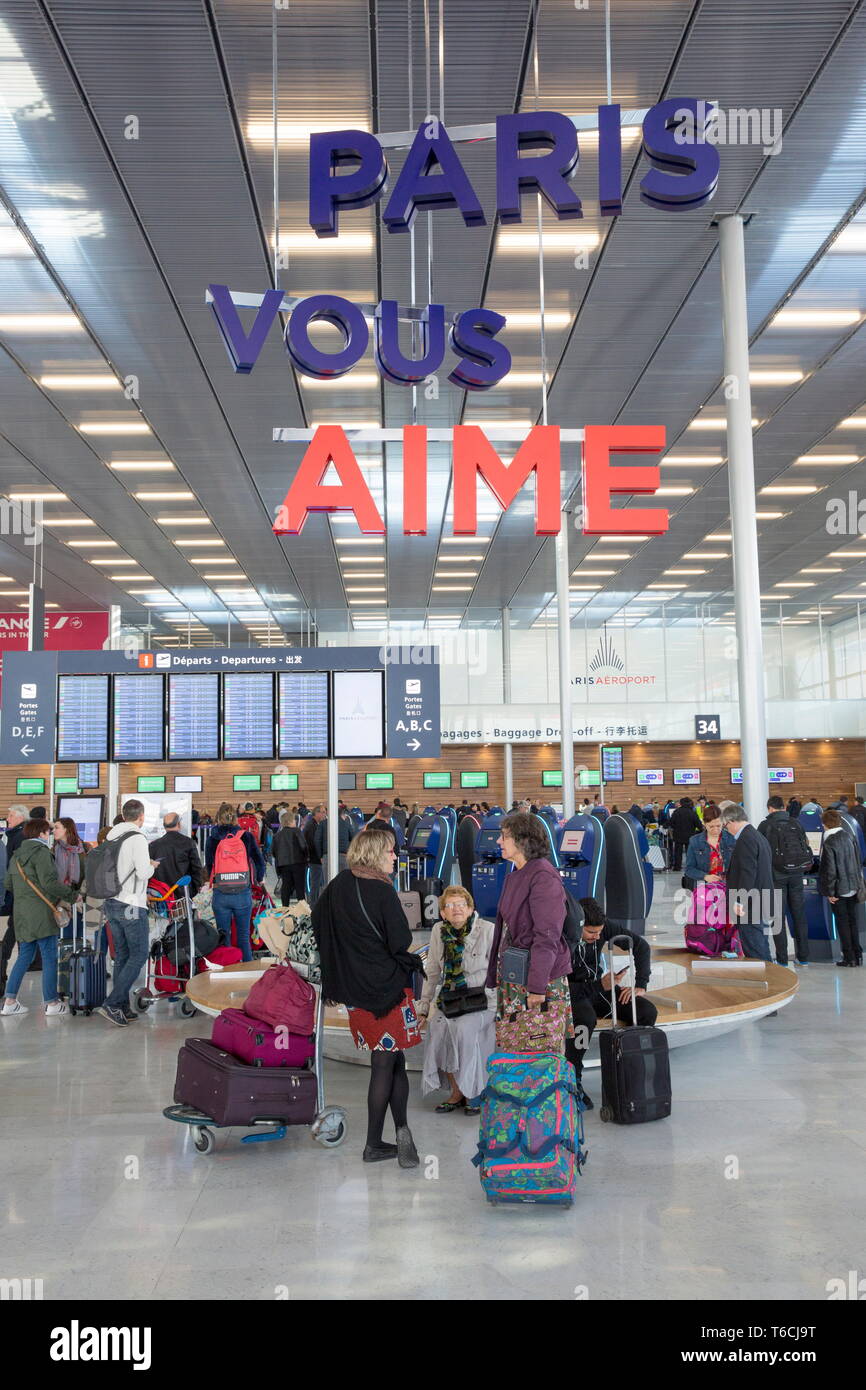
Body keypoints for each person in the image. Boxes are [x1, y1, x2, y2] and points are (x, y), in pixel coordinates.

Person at [312, 828, 423, 1167]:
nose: (394, 857)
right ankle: (376, 1141)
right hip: (387, 991)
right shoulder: (382, 891)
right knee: (385, 1063)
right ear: (376, 854)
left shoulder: (338, 886)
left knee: (392, 1060)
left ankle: (399, 1130)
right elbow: (400, 940)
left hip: (354, 992)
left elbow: (318, 924)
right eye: (390, 852)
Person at [485, 812, 574, 1055]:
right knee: (515, 1049)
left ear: (523, 840)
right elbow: (505, 931)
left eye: (504, 836)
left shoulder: (543, 875)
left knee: (541, 1051)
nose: (499, 842)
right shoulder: (516, 874)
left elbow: (547, 935)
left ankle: (544, 1094)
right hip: (515, 977)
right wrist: (494, 975)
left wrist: (537, 986)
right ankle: (521, 1094)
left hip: (537, 981)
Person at [564, 897, 657, 1110]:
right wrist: (600, 985)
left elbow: (641, 946)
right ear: (578, 925)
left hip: (599, 988)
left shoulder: (604, 929)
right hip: (573, 991)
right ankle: (573, 1078)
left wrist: (640, 984)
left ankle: (632, 1072)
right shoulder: (563, 934)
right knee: (584, 1019)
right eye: (591, 933)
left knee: (645, 1011)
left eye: (600, 932)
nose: (597, 937)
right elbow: (561, 988)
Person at [417, 886, 496, 1114]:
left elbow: (497, 974)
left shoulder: (488, 930)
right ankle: (456, 1091)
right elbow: (432, 972)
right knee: (439, 1027)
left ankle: (474, 1091)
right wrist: (424, 1008)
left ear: (471, 909)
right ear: (442, 912)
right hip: (452, 999)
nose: (456, 910)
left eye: (461, 904)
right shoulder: (438, 931)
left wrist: (499, 1008)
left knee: (463, 1030)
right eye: (450, 906)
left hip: (482, 1000)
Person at [1, 819, 81, 1017]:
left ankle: (9, 1001)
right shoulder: (42, 853)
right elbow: (49, 882)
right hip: (42, 913)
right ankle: (52, 1003)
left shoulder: (16, 855)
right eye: (49, 831)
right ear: (42, 834)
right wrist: (72, 895)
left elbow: (9, 884)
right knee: (49, 956)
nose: (51, 834)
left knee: (24, 956)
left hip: (21, 913)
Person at [96, 800, 160, 1026]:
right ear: (141, 816)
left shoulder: (112, 836)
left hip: (111, 901)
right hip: (131, 903)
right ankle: (113, 1003)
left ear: (123, 816)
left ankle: (121, 1006)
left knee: (122, 955)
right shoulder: (137, 838)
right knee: (139, 954)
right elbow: (143, 873)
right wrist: (152, 865)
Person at [204, 802, 265, 962]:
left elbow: (209, 865)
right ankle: (246, 972)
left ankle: (227, 971)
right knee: (244, 936)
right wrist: (259, 879)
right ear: (235, 818)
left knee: (224, 935)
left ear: (218, 818)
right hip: (242, 892)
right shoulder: (246, 836)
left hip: (221, 893)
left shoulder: (212, 839)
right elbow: (259, 862)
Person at [757, 796, 813, 967]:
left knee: (777, 918)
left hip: (776, 876)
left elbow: (761, 851)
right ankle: (803, 957)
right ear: (783, 807)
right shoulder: (796, 823)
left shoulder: (765, 825)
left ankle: (782, 960)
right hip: (797, 873)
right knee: (799, 915)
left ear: (770, 808)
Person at [683, 803, 740, 957]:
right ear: (704, 824)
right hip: (706, 893)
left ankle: (729, 952)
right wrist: (705, 876)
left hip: (728, 889)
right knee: (709, 926)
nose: (715, 830)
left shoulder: (731, 839)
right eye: (711, 826)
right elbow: (689, 869)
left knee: (730, 925)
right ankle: (711, 949)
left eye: (718, 825)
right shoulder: (695, 841)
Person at [721, 805, 774, 961]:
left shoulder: (746, 839)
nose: (726, 830)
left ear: (731, 821)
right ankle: (769, 977)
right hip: (760, 899)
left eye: (725, 826)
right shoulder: (757, 836)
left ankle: (766, 979)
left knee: (755, 947)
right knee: (760, 943)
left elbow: (747, 873)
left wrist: (739, 901)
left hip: (751, 904)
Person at [818, 809, 863, 967]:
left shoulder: (829, 841)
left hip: (839, 889)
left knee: (842, 923)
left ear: (825, 824)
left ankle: (848, 957)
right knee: (853, 921)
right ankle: (858, 955)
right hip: (853, 885)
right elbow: (858, 860)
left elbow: (830, 870)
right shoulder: (849, 836)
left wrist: (830, 892)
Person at [0, 804, 30, 994]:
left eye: (10, 816)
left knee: (11, 934)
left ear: (20, 818)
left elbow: (8, 872)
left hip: (13, 896)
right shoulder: (14, 836)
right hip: (12, 896)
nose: (7, 819)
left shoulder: (18, 837)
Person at [148, 813, 203, 896]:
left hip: (161, 896)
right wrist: (196, 890)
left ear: (164, 826)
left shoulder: (153, 845)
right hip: (183, 894)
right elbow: (196, 869)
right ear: (178, 824)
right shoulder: (188, 843)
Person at [272, 811, 308, 905]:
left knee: (286, 887)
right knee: (300, 888)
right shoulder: (296, 831)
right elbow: (303, 846)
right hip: (298, 863)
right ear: (291, 821)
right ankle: (302, 910)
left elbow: (274, 852)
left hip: (283, 865)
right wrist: (306, 858)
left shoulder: (277, 835)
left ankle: (285, 909)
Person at [316, 805, 355, 881]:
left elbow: (317, 840)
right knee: (343, 883)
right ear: (342, 814)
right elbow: (354, 839)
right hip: (344, 856)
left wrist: (320, 856)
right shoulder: (347, 824)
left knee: (328, 883)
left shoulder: (323, 824)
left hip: (327, 856)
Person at [669, 797, 703, 872]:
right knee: (690, 852)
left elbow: (671, 823)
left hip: (678, 835)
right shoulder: (692, 813)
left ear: (681, 803)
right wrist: (702, 830)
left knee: (678, 852)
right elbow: (698, 824)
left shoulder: (677, 812)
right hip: (690, 836)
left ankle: (677, 867)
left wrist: (675, 827)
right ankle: (690, 866)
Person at [303, 804, 327, 904]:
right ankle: (313, 905)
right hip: (314, 859)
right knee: (315, 884)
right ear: (317, 813)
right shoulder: (311, 825)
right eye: (323, 812)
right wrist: (320, 856)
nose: (325, 815)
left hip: (315, 858)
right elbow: (313, 843)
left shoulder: (315, 824)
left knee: (317, 883)